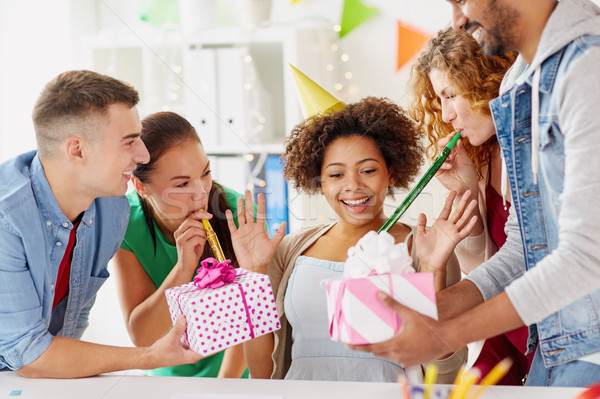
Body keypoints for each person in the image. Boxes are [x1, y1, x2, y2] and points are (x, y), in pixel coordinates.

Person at [349, 0, 600, 387]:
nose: (457, 20)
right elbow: (521, 250)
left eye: (462, 0)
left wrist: (446, 328)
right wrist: (432, 309)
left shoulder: (585, 67)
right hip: (553, 337)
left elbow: (583, 257)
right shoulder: (523, 84)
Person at [239, 96, 477, 383]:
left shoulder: (426, 246)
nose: (353, 185)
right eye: (336, 174)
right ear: (320, 181)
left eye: (367, 170)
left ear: (391, 173)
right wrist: (254, 274)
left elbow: (443, 378)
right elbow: (261, 372)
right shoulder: (290, 250)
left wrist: (432, 268)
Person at [0, 70, 203, 378]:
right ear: (77, 150)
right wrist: (149, 357)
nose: (143, 155)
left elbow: (68, 328)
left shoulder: (111, 208)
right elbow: (29, 354)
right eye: (129, 142)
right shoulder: (8, 217)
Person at [408, 27, 530, 385]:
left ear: (487, 84)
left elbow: (524, 261)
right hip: (505, 330)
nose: (445, 115)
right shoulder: (485, 156)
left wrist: (436, 309)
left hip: (545, 326)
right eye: (439, 100)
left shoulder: (530, 149)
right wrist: (466, 194)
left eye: (450, 95)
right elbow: (486, 264)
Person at [112, 111, 251, 378]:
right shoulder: (126, 223)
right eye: (183, 184)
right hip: (166, 378)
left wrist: (222, 390)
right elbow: (142, 336)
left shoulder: (240, 213)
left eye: (206, 173)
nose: (201, 193)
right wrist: (182, 270)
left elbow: (250, 320)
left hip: (234, 378)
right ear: (141, 187)